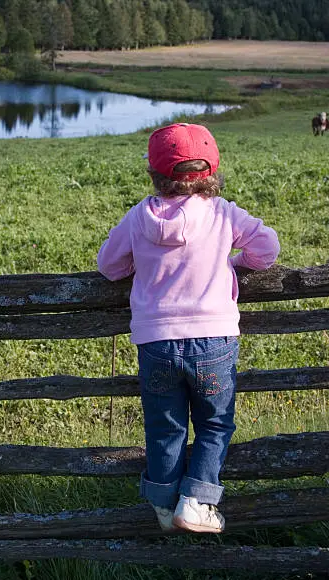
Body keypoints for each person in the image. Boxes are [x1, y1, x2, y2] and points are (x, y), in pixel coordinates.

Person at [97, 123, 280, 533]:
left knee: (165, 427)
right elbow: (267, 249)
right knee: (215, 422)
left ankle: (164, 507)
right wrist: (233, 264)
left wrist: (138, 265)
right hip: (214, 339)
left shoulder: (137, 217)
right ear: (211, 170)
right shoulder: (222, 213)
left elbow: (109, 266)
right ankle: (196, 501)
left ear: (155, 173)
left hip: (157, 341)